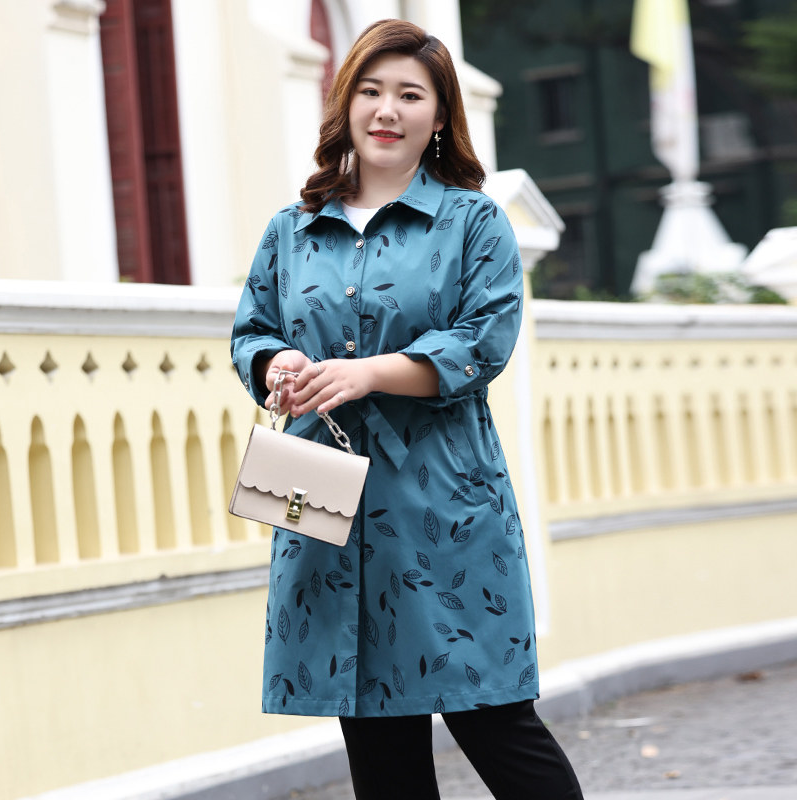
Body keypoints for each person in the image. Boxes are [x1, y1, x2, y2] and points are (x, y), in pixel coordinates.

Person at [231, 18, 583, 800]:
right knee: (375, 731)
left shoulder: (473, 222)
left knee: (493, 715)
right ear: (346, 103)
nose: (387, 109)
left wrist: (367, 374)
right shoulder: (292, 230)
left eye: (410, 94)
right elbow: (252, 330)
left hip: (442, 501)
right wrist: (277, 365)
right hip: (326, 496)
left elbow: (483, 342)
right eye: (371, 90)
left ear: (440, 114)